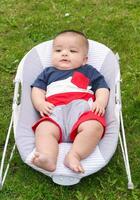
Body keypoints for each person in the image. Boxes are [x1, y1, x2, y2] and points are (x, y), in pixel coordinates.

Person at [31, 30, 110, 173]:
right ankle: (48, 158)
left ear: (84, 59)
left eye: (72, 51)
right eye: (58, 50)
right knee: (43, 130)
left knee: (94, 127)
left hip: (83, 111)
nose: (64, 53)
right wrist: (40, 103)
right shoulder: (48, 72)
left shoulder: (89, 71)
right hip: (54, 111)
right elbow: (37, 90)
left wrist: (100, 102)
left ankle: (74, 155)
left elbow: (102, 88)